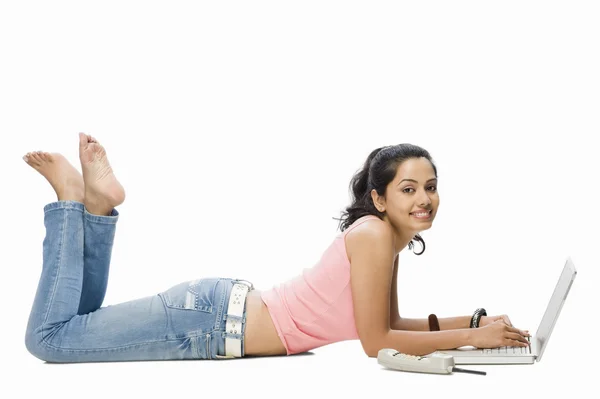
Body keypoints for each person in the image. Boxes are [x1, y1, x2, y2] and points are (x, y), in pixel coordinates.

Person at [23, 135, 530, 363]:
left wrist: (476, 325)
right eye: (408, 188)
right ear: (379, 198)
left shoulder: (384, 240)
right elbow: (378, 343)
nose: (424, 199)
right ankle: (73, 203)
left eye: (431, 186)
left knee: (77, 322)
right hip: (208, 322)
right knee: (50, 340)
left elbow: (388, 326)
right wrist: (471, 340)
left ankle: (96, 208)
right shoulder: (375, 235)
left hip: (218, 313)